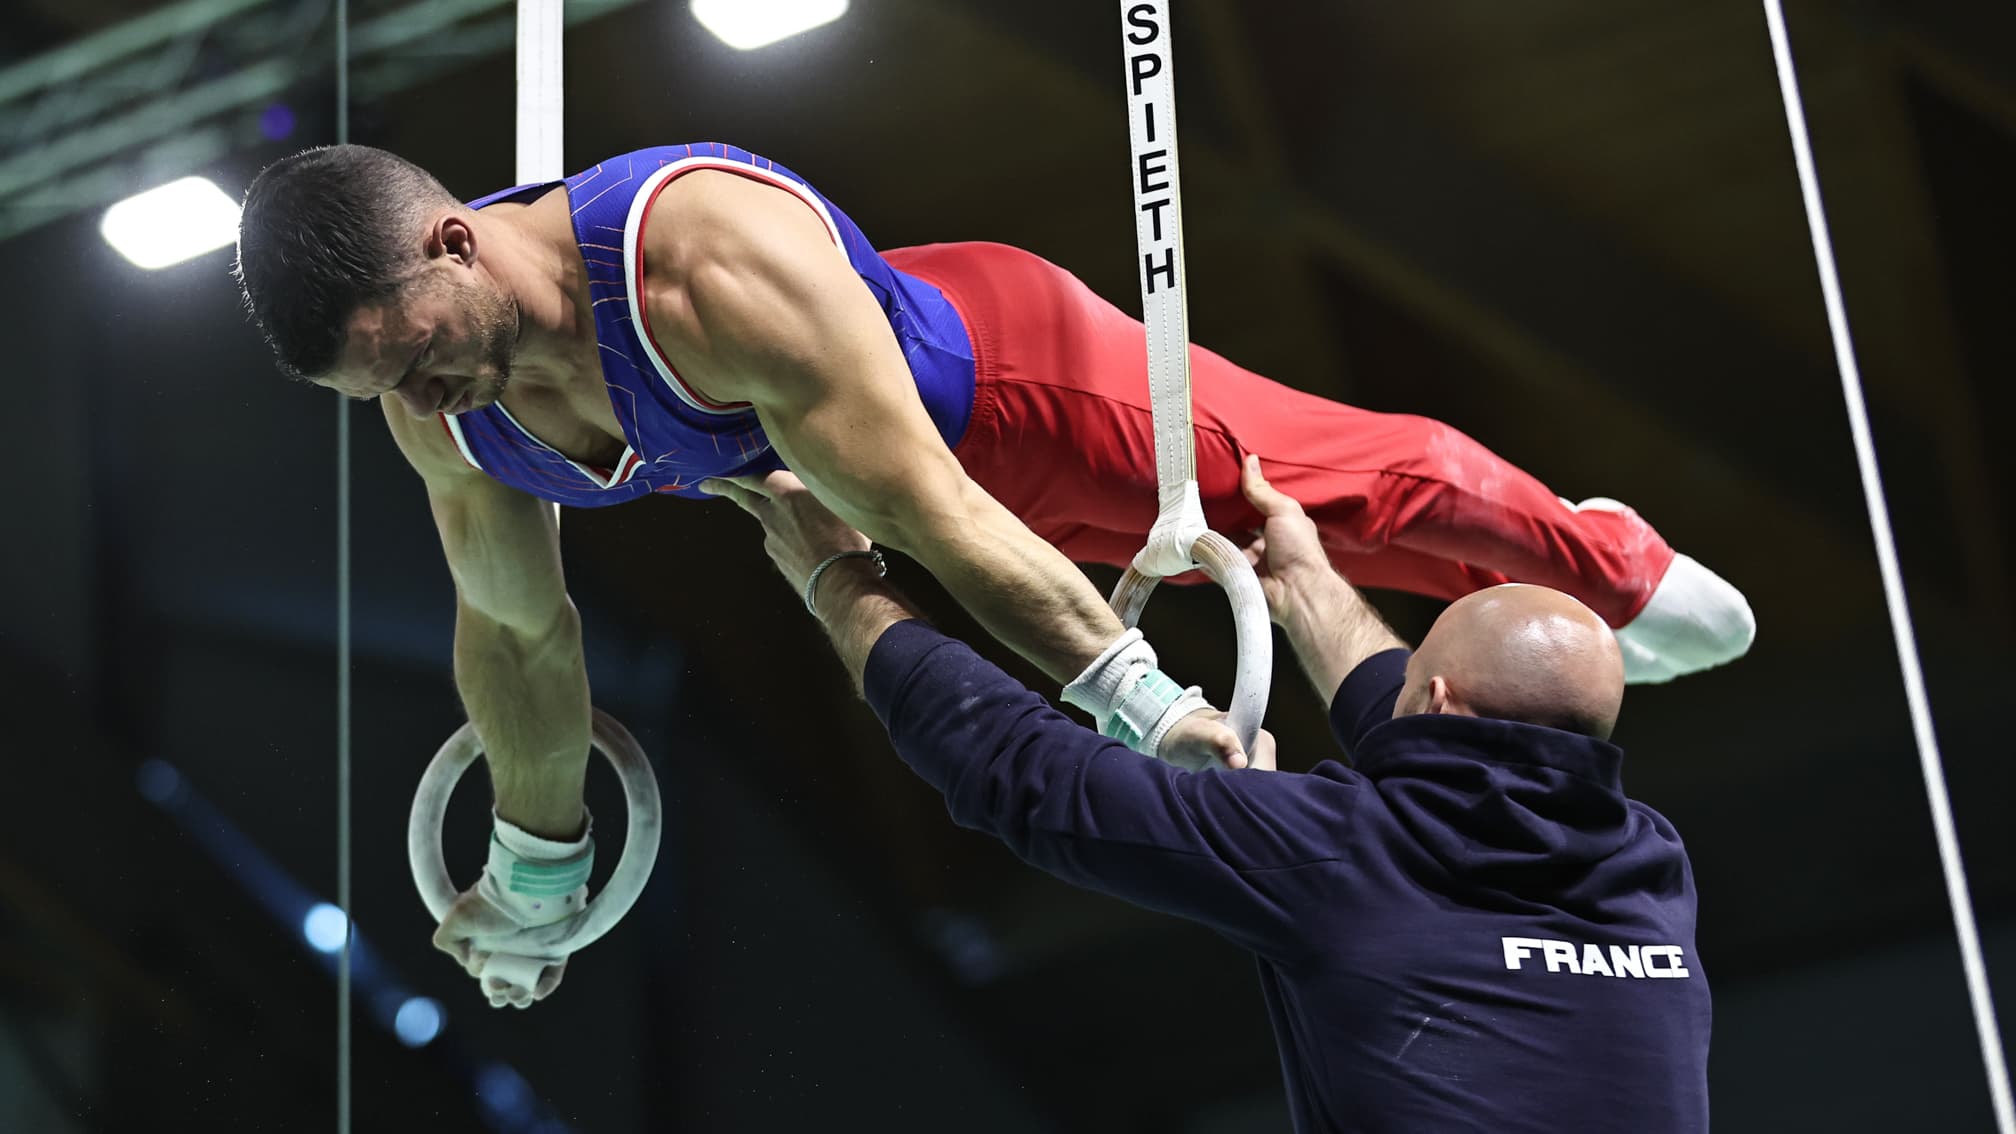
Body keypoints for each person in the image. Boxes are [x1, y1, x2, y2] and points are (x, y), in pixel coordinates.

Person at [233, 141, 1749, 1005]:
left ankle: (1607, 559)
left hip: (1014, 401)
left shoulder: (696, 262)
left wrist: (1152, 712)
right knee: (1339, 527)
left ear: (450, 243)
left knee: (1345, 496)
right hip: (885, 481)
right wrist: (538, 866)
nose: (426, 409)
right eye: (385, 398)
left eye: (418, 360)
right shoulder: (451, 411)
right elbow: (517, 637)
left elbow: (947, 518)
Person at [704, 454, 1711, 1134]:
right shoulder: (1653, 871)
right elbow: (1439, 745)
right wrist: (1304, 584)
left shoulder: (1331, 855)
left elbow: (1018, 771)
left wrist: (835, 575)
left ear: (1438, 700)